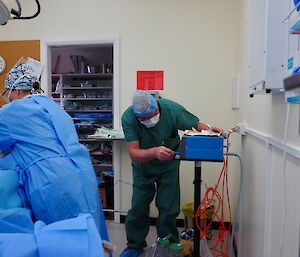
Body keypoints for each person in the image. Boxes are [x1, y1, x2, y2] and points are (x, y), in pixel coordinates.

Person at [0, 57, 108, 241]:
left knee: (62, 240)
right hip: (81, 174)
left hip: (51, 181)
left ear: (16, 90)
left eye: (8, 93)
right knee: (88, 235)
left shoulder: (13, 110)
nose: (8, 98)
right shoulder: (52, 105)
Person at [120, 90, 224, 257]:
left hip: (167, 166)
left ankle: (168, 241)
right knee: (138, 207)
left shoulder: (171, 109)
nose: (148, 121)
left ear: (157, 107)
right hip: (143, 168)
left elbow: (197, 125)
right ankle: (134, 245)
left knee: (168, 206)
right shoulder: (128, 117)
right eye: (143, 119)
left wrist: (211, 131)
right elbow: (134, 153)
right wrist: (154, 152)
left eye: (151, 116)